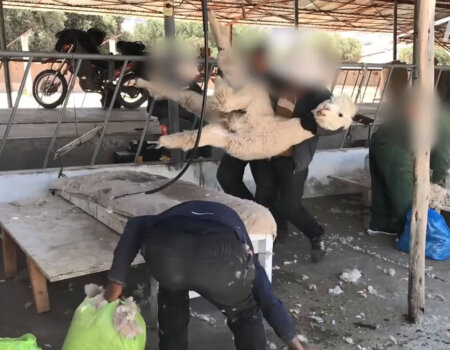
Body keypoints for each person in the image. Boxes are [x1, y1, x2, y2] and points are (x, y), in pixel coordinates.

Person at [105, 201, 308, 350]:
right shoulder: (240, 237)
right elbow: (266, 295)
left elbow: (135, 225)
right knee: (244, 313)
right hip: (223, 260)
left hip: (168, 254)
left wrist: (116, 282)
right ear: (247, 251)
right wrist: (292, 340)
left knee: (172, 297)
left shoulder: (164, 217)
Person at [368, 97, 450, 236]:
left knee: (381, 185)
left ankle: (379, 224)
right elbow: (442, 157)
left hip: (380, 137)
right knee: (404, 195)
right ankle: (408, 234)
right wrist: (437, 180)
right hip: (397, 148)